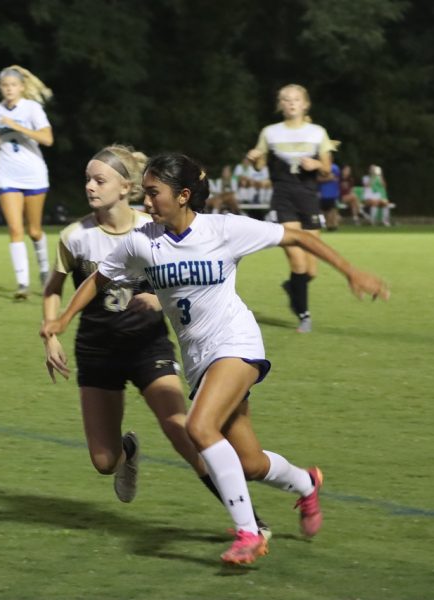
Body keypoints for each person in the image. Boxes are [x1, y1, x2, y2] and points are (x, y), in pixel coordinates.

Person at [41, 152, 389, 565]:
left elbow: (298, 237)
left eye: (154, 193)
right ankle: (306, 483)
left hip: (237, 343)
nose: (146, 203)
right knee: (251, 462)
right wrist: (62, 319)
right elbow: (101, 277)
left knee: (200, 427)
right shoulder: (142, 240)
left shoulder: (224, 229)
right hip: (198, 357)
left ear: (184, 195)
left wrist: (352, 271)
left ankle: (249, 534)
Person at [42, 145, 270, 536]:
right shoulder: (74, 236)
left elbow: (192, 283)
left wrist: (157, 299)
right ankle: (127, 452)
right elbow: (54, 288)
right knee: (103, 460)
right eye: (87, 179)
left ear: (125, 187)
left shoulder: (156, 223)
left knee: (185, 431)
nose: (90, 187)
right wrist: (52, 330)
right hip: (97, 349)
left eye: (99, 180)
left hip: (148, 345)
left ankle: (250, 523)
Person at [247, 83, 336, 333]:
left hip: (308, 200)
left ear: (305, 104)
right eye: (285, 99)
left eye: (296, 99)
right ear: (280, 105)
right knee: (297, 262)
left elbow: (328, 168)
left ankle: (294, 288)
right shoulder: (270, 132)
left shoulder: (318, 132)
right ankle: (304, 316)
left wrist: (316, 164)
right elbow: (260, 165)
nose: (291, 102)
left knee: (311, 270)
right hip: (283, 199)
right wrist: (255, 159)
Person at [0, 65, 54, 299]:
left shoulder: (32, 108)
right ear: (0, 88)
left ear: (22, 87)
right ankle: (22, 284)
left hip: (33, 173)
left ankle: (44, 271)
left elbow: (47, 139)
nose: (9, 89)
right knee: (15, 229)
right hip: (6, 173)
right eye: (5, 86)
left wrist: (16, 125)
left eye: (13, 85)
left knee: (34, 231)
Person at [318, 162, 342, 230]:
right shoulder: (319, 166)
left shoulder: (334, 167)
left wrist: (323, 178)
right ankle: (325, 225)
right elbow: (318, 178)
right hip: (322, 194)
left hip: (332, 194)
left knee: (332, 210)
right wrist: (328, 178)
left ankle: (332, 226)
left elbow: (334, 177)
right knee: (322, 211)